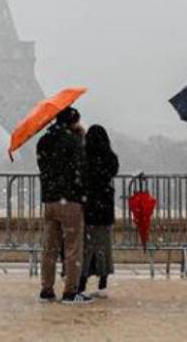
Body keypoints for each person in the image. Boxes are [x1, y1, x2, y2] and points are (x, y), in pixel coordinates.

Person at [36, 106, 91, 304]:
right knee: (72, 248)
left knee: (49, 248)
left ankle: (46, 289)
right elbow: (82, 170)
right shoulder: (74, 141)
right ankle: (70, 292)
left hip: (50, 200)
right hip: (70, 200)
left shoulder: (43, 141)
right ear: (72, 121)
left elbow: (43, 167)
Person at [78, 125, 119, 299]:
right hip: (105, 208)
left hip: (88, 208)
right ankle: (103, 281)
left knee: (86, 248)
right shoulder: (110, 158)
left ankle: (82, 282)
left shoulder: (84, 157)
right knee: (104, 246)